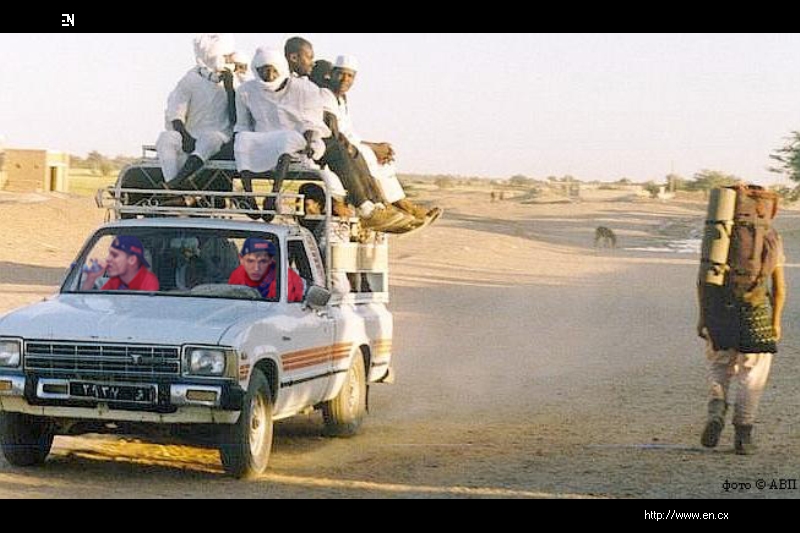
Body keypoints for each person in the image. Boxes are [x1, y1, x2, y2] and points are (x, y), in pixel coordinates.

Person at [698, 188, 787, 455]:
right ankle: (743, 436)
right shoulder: (772, 237)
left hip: (718, 310)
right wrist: (776, 322)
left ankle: (716, 409)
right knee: (752, 375)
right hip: (756, 311)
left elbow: (703, 279)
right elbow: (779, 287)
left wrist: (703, 316)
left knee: (719, 367)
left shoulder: (719, 233)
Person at [328, 55, 442, 226]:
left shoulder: (342, 100)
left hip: (348, 145)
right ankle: (381, 205)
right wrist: (373, 148)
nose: (345, 79)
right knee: (367, 154)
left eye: (350, 76)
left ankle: (405, 206)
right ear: (332, 73)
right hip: (334, 148)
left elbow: (350, 135)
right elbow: (337, 135)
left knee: (383, 160)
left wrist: (377, 147)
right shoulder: (326, 97)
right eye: (341, 74)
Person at [156, 33, 236, 190]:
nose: (229, 60)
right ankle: (174, 190)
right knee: (166, 138)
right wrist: (186, 137)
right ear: (214, 57)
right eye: (226, 56)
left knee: (212, 138)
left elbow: (236, 118)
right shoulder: (190, 79)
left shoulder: (235, 80)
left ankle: (175, 185)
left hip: (219, 136)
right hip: (191, 135)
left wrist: (230, 89)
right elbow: (176, 114)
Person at [298, 182, 351, 295]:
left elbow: (324, 252)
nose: (304, 209)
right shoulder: (303, 223)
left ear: (318, 204)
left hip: (331, 285)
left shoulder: (330, 224)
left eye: (307, 204)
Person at [228, 237, 304, 302]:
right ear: (241, 259)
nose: (256, 268)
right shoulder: (237, 275)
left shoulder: (286, 278)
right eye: (250, 261)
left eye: (263, 261)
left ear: (271, 260)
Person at [81, 236, 160, 292]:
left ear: (132, 260)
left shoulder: (148, 282)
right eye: (109, 254)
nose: (107, 259)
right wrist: (91, 278)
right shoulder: (116, 280)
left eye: (114, 255)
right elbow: (85, 299)